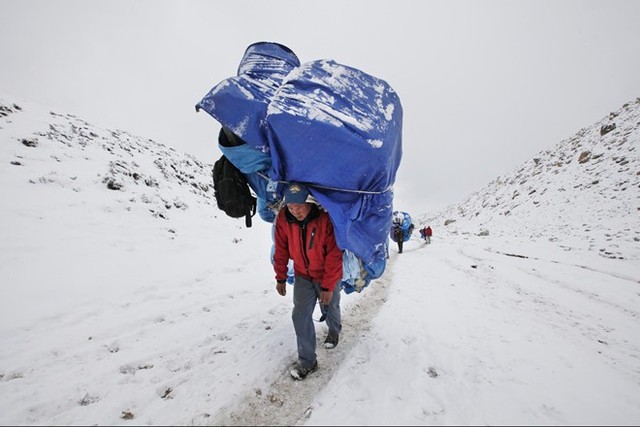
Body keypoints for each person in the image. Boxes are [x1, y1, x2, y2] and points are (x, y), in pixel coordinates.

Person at [273, 183, 343, 380]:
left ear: (310, 203)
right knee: (300, 315)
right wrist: (280, 277)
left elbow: (334, 255)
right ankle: (308, 361)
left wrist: (328, 286)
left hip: (326, 274)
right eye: (291, 207)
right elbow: (281, 249)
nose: (296, 212)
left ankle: (334, 330)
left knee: (330, 308)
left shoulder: (325, 220)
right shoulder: (284, 219)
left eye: (300, 207)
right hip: (303, 275)